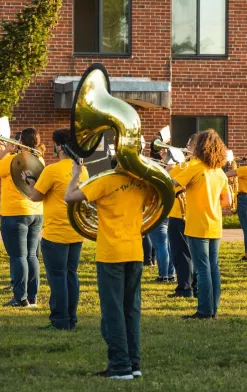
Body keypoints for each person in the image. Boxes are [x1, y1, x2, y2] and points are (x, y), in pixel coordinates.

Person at [65, 152, 150, 380]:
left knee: (113, 312)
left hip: (111, 253)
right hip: (135, 251)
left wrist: (75, 175)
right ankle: (134, 364)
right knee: (131, 310)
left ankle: (120, 367)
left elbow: (70, 196)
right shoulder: (143, 182)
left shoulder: (106, 180)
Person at [20, 129, 88, 330]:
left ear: (59, 146)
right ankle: (71, 319)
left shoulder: (52, 170)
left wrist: (30, 182)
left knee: (57, 277)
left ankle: (60, 321)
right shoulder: (81, 170)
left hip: (55, 233)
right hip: (76, 230)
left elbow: (35, 196)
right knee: (71, 275)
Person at [172, 129, 230, 320]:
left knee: (202, 269)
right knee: (213, 267)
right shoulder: (220, 172)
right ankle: (213, 309)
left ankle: (205, 311)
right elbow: (227, 201)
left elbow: (173, 184)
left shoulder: (195, 167)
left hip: (197, 223)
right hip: (215, 223)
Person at [0, 128, 45, 307]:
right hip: (36, 211)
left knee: (18, 256)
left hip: (15, 212)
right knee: (32, 255)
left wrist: (6, 151)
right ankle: (32, 297)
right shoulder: (40, 159)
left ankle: (20, 298)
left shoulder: (11, 159)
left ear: (20, 140)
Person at [166, 134, 198, 298]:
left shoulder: (186, 167)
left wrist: (170, 164)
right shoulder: (202, 166)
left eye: (188, 145)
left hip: (179, 214)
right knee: (194, 253)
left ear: (193, 147)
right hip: (194, 215)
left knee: (180, 253)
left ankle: (184, 288)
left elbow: (167, 178)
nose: (186, 147)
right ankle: (195, 285)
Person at [147, 141, 174, 282]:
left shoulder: (159, 172)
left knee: (161, 245)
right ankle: (170, 274)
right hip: (170, 211)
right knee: (167, 244)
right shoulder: (176, 168)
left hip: (158, 211)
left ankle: (164, 275)